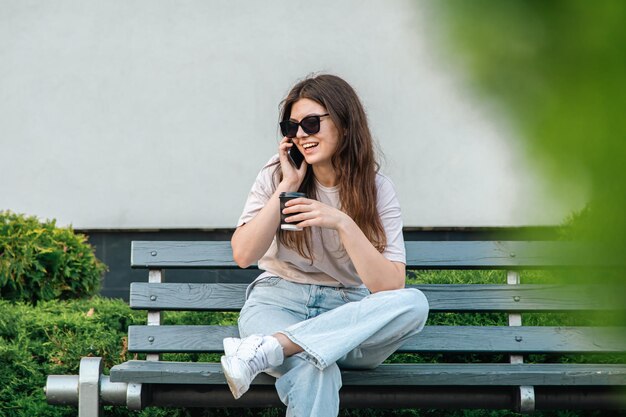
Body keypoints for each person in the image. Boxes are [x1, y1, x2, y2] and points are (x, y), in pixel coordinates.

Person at [221, 74, 429, 416]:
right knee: (314, 369)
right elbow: (243, 255)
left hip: (347, 314)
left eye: (312, 123)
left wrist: (341, 221)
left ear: (344, 125)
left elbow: (389, 287)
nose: (302, 134)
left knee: (414, 304)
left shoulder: (377, 189)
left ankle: (272, 347)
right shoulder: (276, 176)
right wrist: (288, 184)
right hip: (278, 300)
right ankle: (279, 345)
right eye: (292, 126)